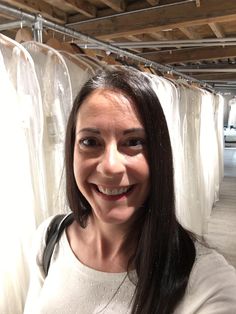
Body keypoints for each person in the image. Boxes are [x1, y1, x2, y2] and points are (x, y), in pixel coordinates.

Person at [24, 67, 236, 314]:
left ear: (158, 154)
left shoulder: (207, 282)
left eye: (133, 142)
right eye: (90, 142)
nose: (110, 167)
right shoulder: (50, 239)